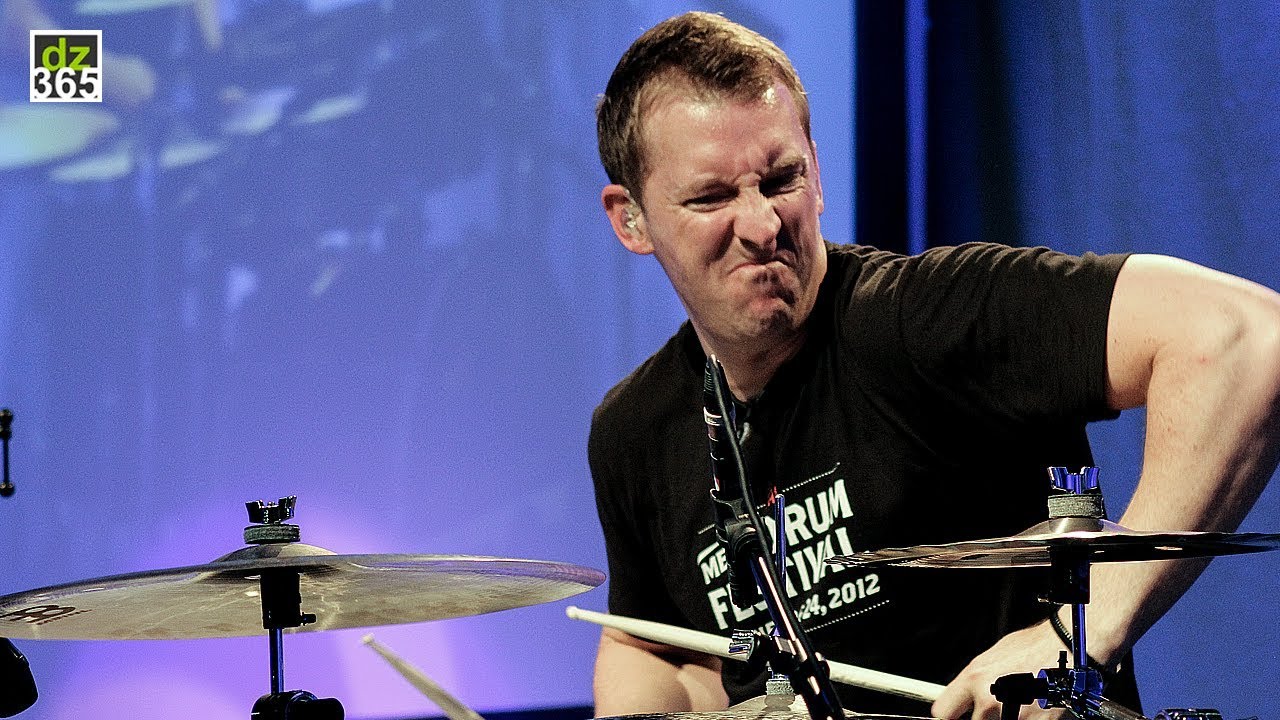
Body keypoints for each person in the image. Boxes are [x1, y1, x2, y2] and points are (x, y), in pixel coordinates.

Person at [587, 11, 1280, 720]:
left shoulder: (923, 319)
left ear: (817, 173)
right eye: (711, 197)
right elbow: (659, 649)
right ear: (630, 218)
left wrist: (1080, 632)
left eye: (782, 179)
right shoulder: (634, 431)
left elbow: (1246, 337)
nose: (763, 225)